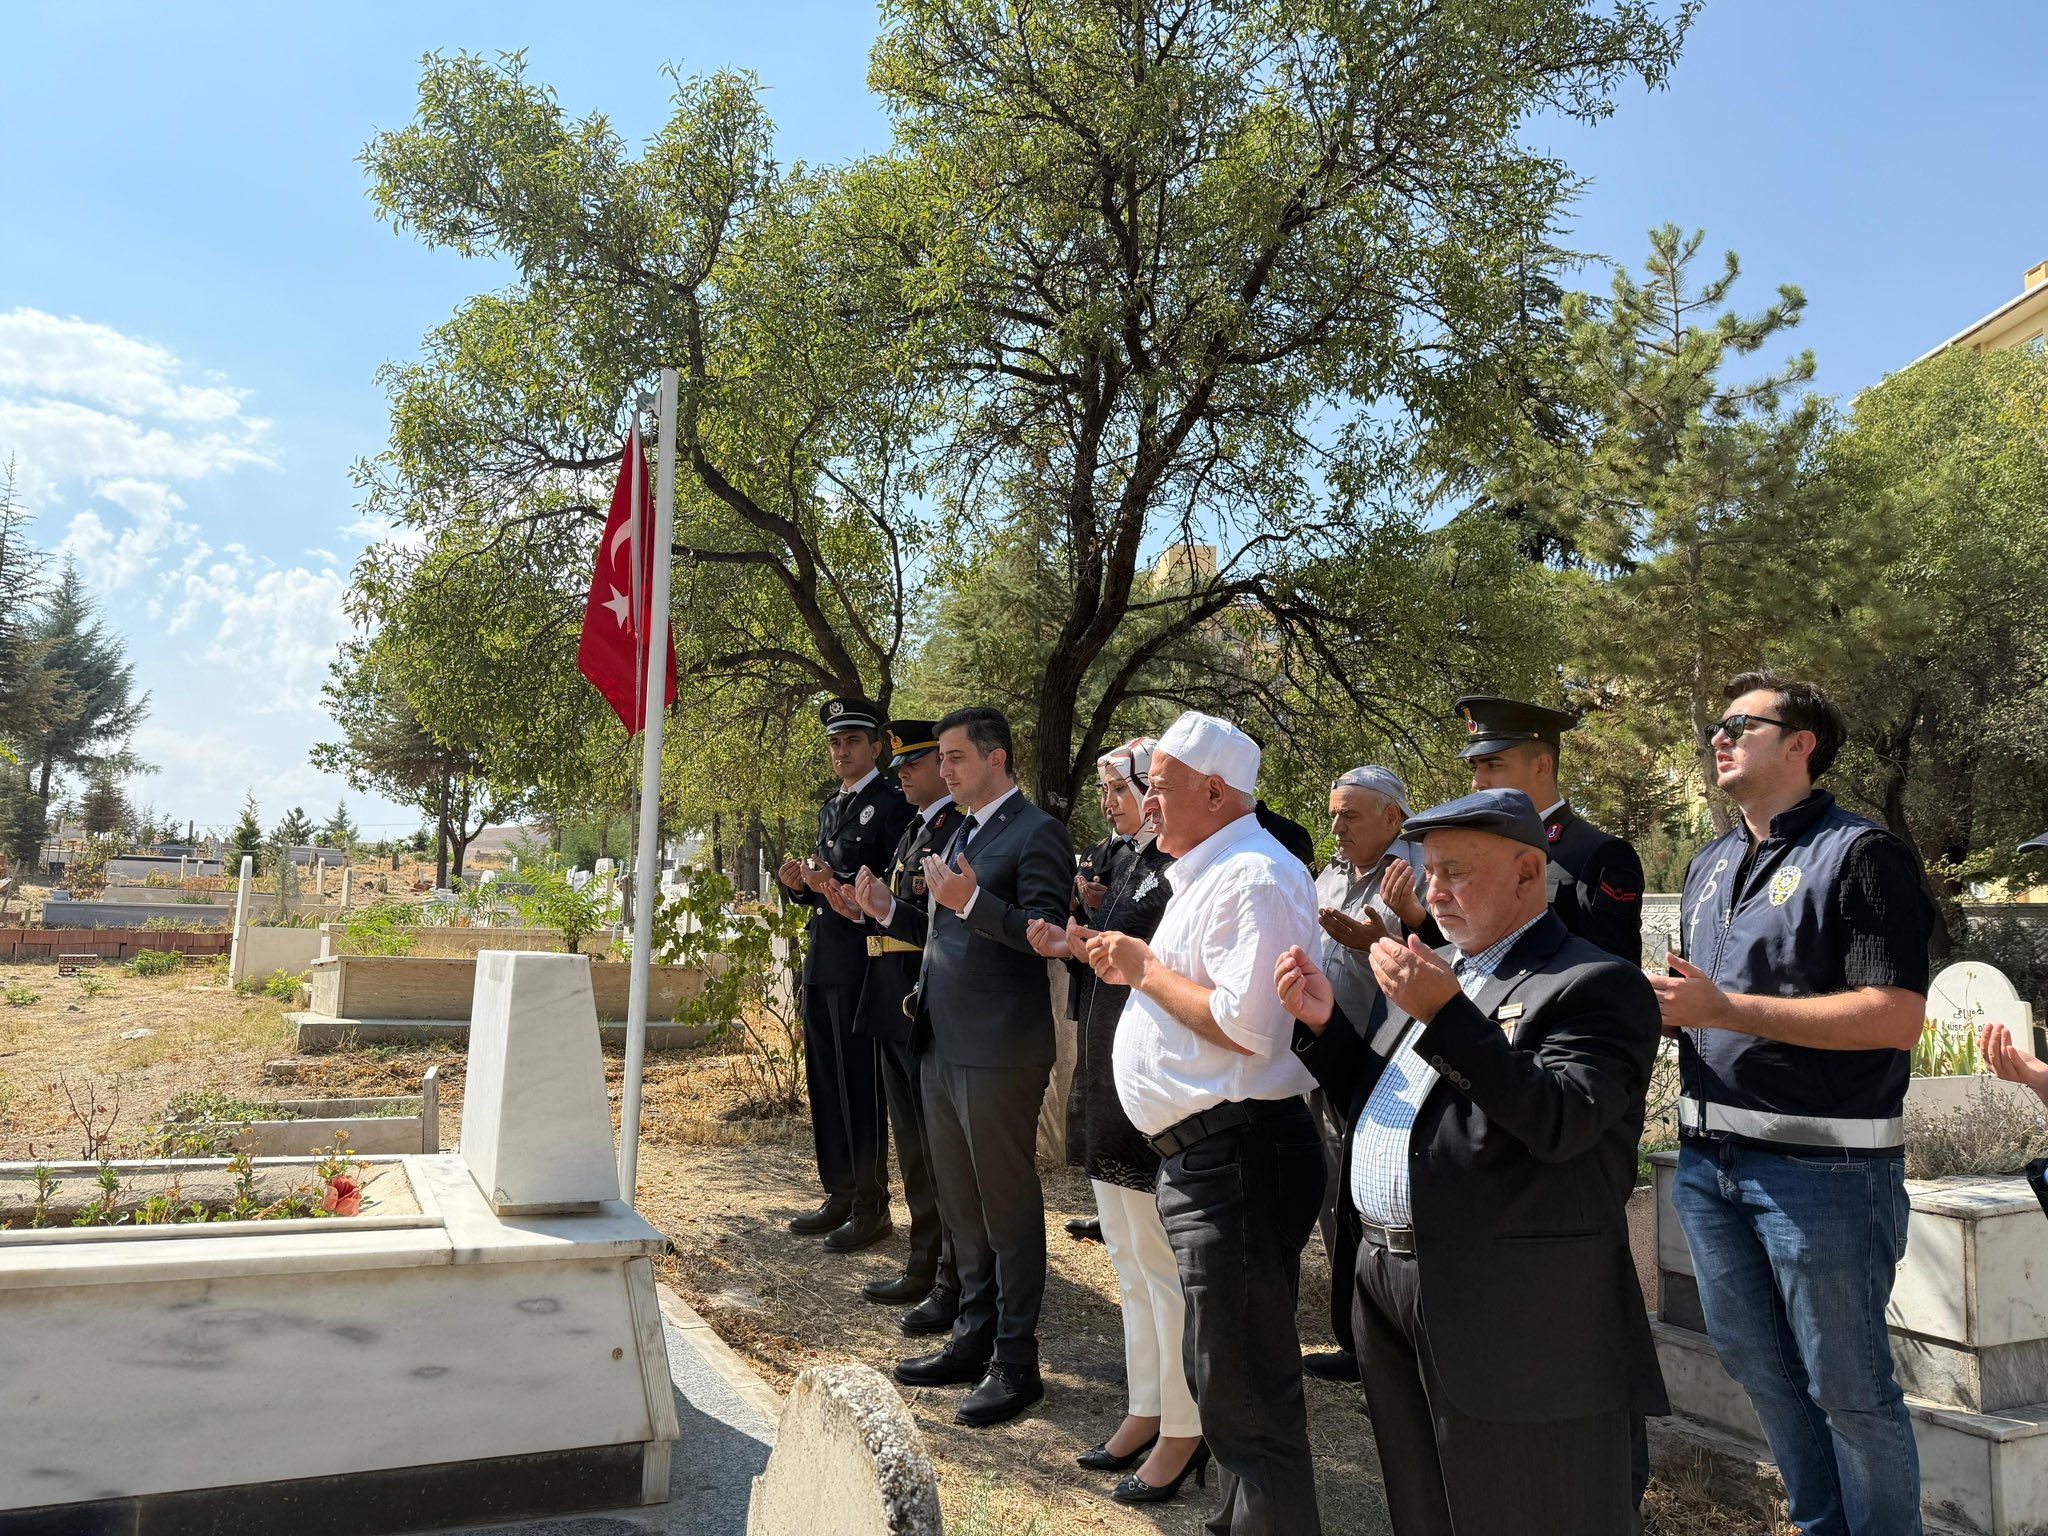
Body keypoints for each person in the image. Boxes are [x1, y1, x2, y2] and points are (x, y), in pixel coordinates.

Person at [1275, 788, 1666, 1536]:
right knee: (1423, 1506)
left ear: (1527, 873)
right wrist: (1326, 1028)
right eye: (1429, 872)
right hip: (1390, 1281)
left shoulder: (1592, 983)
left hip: (1510, 1312)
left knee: (1528, 1510)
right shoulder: (1438, 969)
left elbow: (1560, 1121)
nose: (1434, 892)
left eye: (1456, 871)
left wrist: (1446, 1013)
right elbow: (1396, 1110)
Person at [1654, 669, 1935, 1536]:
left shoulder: (1862, 855)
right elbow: (1706, 1002)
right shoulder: (1709, 863)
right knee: (1760, 1367)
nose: (1719, 737)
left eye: (1742, 724)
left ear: (1801, 745)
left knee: (1850, 1389)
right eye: (1717, 724)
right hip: (1708, 1166)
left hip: (1825, 1174)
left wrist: (1724, 1010)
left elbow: (1895, 1017)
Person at [1089, 710, 1324, 1536]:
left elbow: (1249, 1027)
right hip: (1209, 1157)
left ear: (1217, 793)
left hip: (1239, 1155)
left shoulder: (1254, 876)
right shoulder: (1213, 871)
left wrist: (1144, 970)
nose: (1148, 803)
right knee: (1227, 1387)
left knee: (1247, 1395)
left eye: (1160, 787)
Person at [879, 706, 1073, 1427]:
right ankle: (972, 1337)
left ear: (996, 758)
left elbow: (1044, 933)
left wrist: (974, 902)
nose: (945, 768)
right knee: (961, 1202)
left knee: (1006, 1207)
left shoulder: (1037, 832)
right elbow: (944, 932)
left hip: (999, 1050)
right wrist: (888, 912)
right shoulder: (961, 831)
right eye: (943, 758)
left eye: (955, 756)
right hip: (941, 1042)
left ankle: (1016, 1362)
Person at [1027, 739, 1204, 1504]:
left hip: (1153, 1093)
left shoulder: (1185, 868)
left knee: (1162, 1269)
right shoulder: (1128, 860)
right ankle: (1147, 1406)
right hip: (1109, 1074)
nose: (1119, 802)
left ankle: (1186, 1428)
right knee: (1130, 1263)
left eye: (1129, 787)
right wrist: (1077, 940)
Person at [831, 720, 962, 1322]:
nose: (904, 774)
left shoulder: (954, 829)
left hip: (919, 997)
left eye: (915, 764)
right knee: (911, 1145)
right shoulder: (915, 830)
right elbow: (895, 910)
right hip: (890, 997)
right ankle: (923, 1260)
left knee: (936, 1148)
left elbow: (935, 922)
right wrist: (860, 909)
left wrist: (883, 911)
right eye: (901, 766)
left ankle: (947, 1270)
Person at [776, 696, 914, 1252]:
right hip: (825, 958)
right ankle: (839, 1191)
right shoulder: (832, 807)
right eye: (835, 743)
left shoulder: (892, 803)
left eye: (853, 741)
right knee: (826, 1082)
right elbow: (824, 891)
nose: (842, 751)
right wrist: (799, 886)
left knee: (860, 1085)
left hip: (865, 962)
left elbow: (894, 886)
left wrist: (832, 880)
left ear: (876, 747)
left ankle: (870, 1205)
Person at [1302, 765, 1421, 1387]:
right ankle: (1352, 1332)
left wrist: (1380, 941)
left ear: (1392, 817)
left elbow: (1445, 959)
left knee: (1369, 1192)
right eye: (1333, 814)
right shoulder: (1329, 875)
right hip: (1322, 1049)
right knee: (1331, 1188)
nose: (1336, 827)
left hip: (1384, 1062)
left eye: (1349, 814)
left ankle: (1380, 1336)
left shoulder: (1415, 874)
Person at [1451, 695, 1644, 963]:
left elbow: (1613, 971)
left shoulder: (1600, 854)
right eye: (1475, 767)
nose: (1477, 782)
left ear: (1542, 766)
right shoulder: (1482, 851)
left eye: (1493, 765)